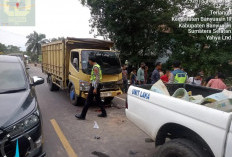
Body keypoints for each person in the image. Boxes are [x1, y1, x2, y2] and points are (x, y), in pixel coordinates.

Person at [75, 56, 106, 120]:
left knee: (88, 101)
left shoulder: (95, 67)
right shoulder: (97, 66)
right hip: (95, 85)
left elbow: (97, 78)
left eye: (89, 61)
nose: (88, 62)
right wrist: (91, 82)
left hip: (95, 86)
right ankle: (104, 113)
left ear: (91, 61)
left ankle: (82, 115)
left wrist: (95, 88)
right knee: (98, 100)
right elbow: (94, 77)